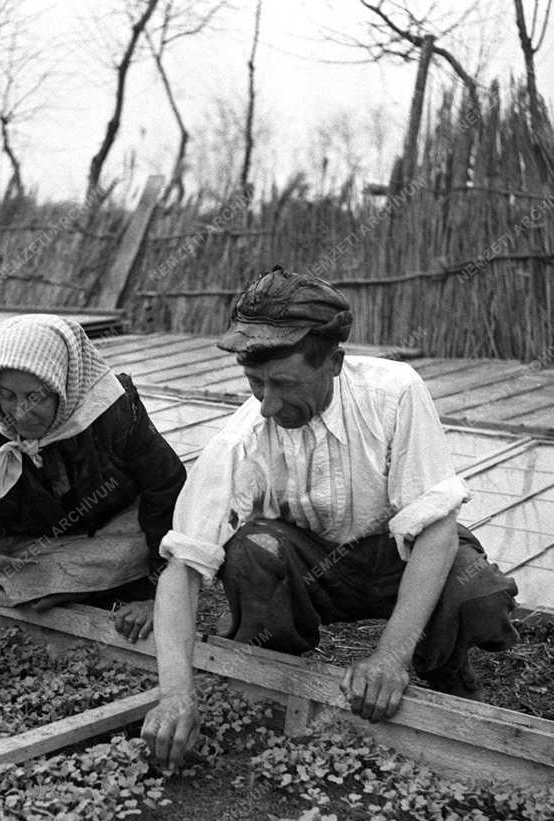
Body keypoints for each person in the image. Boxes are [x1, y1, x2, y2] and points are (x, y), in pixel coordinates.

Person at [142, 267, 519, 768]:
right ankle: (274, 677)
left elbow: (435, 527)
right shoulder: (239, 440)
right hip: (309, 569)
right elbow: (182, 569)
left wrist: (390, 656)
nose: (269, 404)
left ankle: (444, 676)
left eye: (285, 384)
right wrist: (175, 693)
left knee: (477, 590)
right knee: (254, 551)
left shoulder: (393, 394)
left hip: (392, 557)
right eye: (255, 383)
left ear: (335, 363)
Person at [0, 314, 187, 672]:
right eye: (7, 395)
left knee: (164, 545)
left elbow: (167, 491)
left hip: (120, 536)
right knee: (11, 576)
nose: (20, 413)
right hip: (41, 550)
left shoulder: (115, 411)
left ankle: (122, 584)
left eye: (36, 396)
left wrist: (158, 594)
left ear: (64, 382)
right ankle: (94, 585)